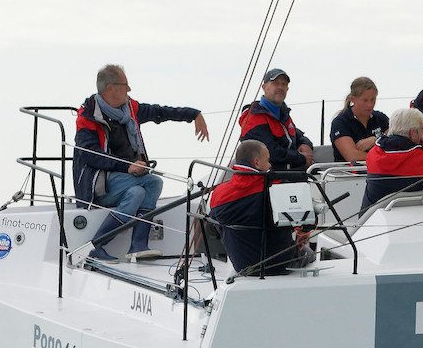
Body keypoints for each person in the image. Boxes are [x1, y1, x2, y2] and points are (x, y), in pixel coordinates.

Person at [73, 64, 206, 260]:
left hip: (128, 181)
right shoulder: (89, 117)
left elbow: (159, 112)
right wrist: (127, 166)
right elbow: (89, 155)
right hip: (99, 186)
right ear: (110, 88)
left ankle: (121, 245)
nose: (129, 89)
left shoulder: (130, 109)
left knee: (137, 193)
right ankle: (120, 245)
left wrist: (193, 114)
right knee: (153, 182)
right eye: (125, 85)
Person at [206, 139, 297, 277]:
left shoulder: (218, 194)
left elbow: (216, 225)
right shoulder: (278, 188)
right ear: (257, 163)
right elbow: (299, 221)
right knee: (308, 253)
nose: (270, 164)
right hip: (279, 264)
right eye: (268, 160)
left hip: (242, 266)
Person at [364, 108, 423, 210]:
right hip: (404, 218)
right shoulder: (417, 157)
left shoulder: (374, 152)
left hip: (368, 217)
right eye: (422, 128)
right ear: (413, 133)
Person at [237, 67, 318, 174]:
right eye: (275, 83)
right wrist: (302, 159)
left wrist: (305, 144)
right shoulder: (254, 118)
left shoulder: (283, 114)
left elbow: (297, 135)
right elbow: (271, 152)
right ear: (264, 87)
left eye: (284, 84)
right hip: (269, 179)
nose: (280, 87)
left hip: (289, 174)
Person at [330, 75, 388, 162]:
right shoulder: (340, 122)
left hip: (379, 171)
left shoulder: (380, 118)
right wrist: (385, 156)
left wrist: (375, 140)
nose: (370, 105)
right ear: (353, 99)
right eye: (365, 100)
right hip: (349, 173)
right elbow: (352, 156)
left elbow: (396, 138)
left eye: (373, 100)